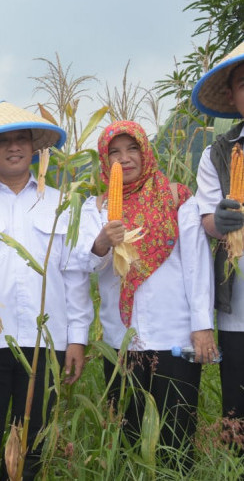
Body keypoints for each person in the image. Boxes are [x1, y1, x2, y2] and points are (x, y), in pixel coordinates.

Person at [0, 101, 92, 480]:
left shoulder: (60, 203)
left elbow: (74, 275)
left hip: (46, 342)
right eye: (2, 141)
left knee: (35, 439)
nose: (13, 147)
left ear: (33, 147)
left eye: (21, 138)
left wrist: (77, 338)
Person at [78, 120, 217, 467]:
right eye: (114, 152)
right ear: (103, 160)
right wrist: (101, 243)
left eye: (133, 149)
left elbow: (196, 266)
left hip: (177, 336)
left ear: (146, 151)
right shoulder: (94, 208)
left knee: (177, 438)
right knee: (126, 439)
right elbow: (83, 266)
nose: (125, 159)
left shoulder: (176, 197)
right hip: (121, 341)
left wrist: (202, 326)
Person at [192, 41, 244, 423]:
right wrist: (219, 221)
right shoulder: (219, 153)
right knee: (237, 410)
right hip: (237, 309)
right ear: (231, 95)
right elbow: (207, 218)